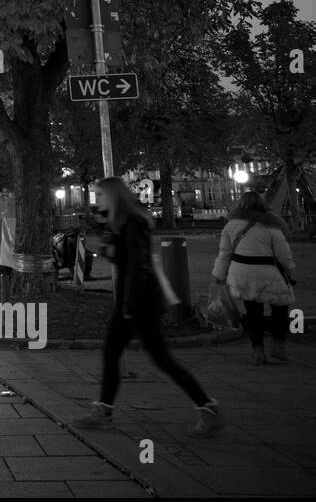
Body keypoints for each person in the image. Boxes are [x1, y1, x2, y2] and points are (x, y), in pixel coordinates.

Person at [73, 178, 222, 437]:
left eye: (101, 195)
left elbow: (137, 266)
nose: (98, 199)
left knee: (157, 358)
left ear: (113, 195)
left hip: (138, 301)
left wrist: (128, 306)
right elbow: (118, 254)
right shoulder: (122, 222)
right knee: (119, 354)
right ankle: (104, 410)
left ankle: (207, 407)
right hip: (136, 300)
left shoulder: (132, 223)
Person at [211, 191, 296, 364]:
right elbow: (283, 254)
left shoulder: (230, 226)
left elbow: (224, 254)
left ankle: (257, 350)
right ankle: (277, 343)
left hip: (241, 271)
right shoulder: (271, 225)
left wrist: (219, 276)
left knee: (253, 312)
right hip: (267, 271)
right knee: (280, 307)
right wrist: (289, 270)